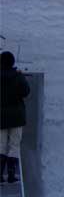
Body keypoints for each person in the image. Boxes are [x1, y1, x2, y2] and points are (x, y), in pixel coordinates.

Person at [0, 51, 30, 183]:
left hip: (1, 117)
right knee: (14, 145)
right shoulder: (18, 76)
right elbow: (25, 92)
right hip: (17, 116)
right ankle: (11, 175)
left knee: (1, 145)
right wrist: (21, 77)